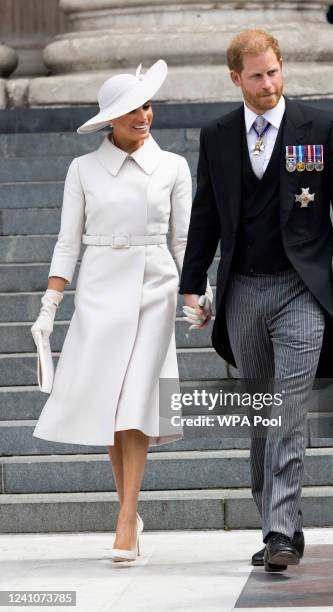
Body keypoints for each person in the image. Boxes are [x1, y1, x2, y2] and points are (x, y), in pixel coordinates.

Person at [180, 30, 333, 572]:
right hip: (244, 286)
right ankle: (275, 520)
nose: (268, 84)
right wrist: (191, 283)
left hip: (301, 290)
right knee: (260, 413)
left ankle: (279, 532)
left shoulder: (320, 127)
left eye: (274, 72)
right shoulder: (218, 136)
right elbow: (206, 215)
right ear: (235, 79)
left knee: (288, 410)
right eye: (256, 76)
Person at [31, 60, 212, 563]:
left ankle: (125, 520)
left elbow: (183, 239)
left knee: (136, 403)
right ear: (111, 117)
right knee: (113, 408)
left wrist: (199, 293)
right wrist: (50, 307)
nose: (143, 116)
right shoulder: (82, 169)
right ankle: (129, 513)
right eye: (132, 109)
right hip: (99, 291)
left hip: (156, 287)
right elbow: (68, 242)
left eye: (147, 105)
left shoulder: (173, 166)